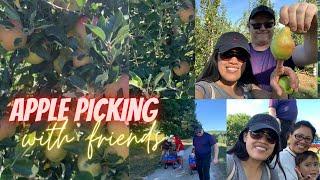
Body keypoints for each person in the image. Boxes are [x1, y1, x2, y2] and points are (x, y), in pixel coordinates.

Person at [241, 4, 317, 96]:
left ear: (274, 26)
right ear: (248, 26)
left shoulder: (287, 47)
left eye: (268, 24)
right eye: (256, 25)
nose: (263, 28)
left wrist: (312, 29)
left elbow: (310, 56)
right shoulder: (240, 52)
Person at [196, 32, 279, 99]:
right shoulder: (205, 89)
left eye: (241, 56)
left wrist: (275, 82)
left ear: (246, 62)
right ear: (216, 57)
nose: (234, 61)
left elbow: (277, 99)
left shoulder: (248, 88)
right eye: (227, 54)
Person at [227, 114, 283, 180]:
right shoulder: (228, 163)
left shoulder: (271, 173)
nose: (263, 141)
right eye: (256, 133)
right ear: (245, 136)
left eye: (271, 137)